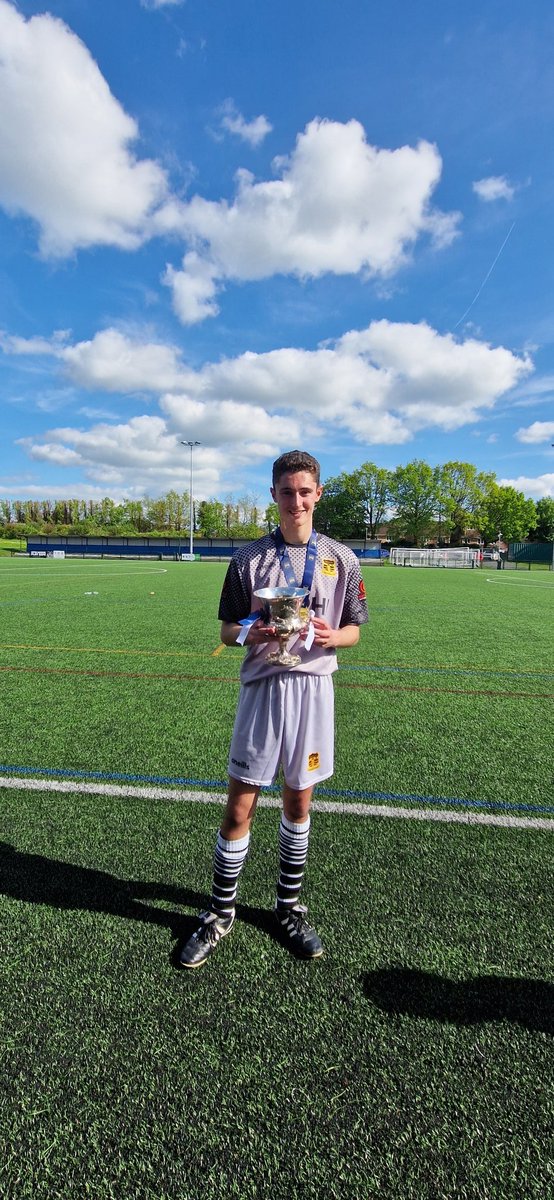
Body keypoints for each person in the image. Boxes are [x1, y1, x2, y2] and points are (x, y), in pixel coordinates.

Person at [179, 449, 368, 968]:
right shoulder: (247, 561)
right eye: (287, 492)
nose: (297, 501)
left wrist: (334, 636)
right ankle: (220, 914)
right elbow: (225, 629)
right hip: (263, 690)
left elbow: (355, 628)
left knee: (299, 804)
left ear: (318, 494)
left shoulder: (343, 559)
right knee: (240, 803)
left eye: (305, 492)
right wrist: (250, 631)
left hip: (312, 690)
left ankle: (288, 908)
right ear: (273, 495)